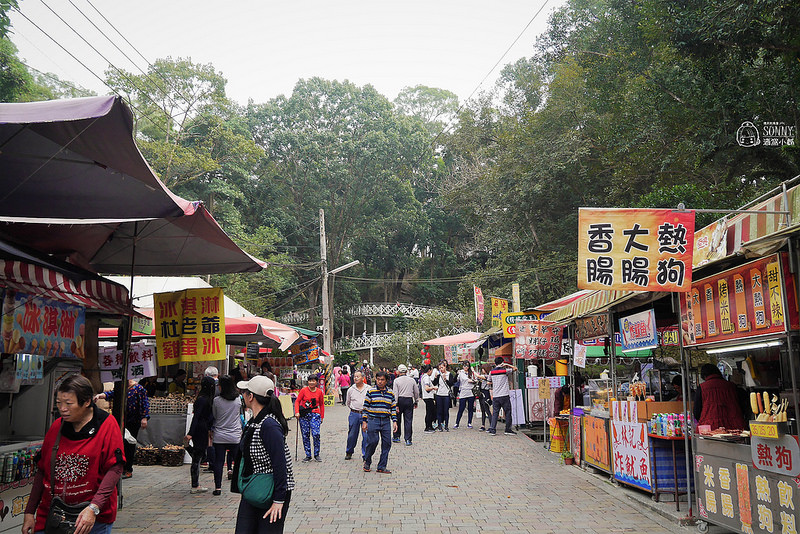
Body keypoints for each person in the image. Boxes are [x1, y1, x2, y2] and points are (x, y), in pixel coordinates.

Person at [23, 375, 125, 534]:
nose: (62, 408)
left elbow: (115, 469)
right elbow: (42, 470)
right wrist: (29, 512)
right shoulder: (57, 427)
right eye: (59, 403)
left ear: (86, 402)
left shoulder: (107, 425)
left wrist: (93, 508)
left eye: (69, 403)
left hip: (92, 518)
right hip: (53, 515)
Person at [233, 375, 295, 534]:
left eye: (244, 392)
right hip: (253, 487)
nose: (242, 396)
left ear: (251, 396)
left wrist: (278, 500)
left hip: (271, 491)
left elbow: (280, 464)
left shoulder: (269, 425)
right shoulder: (254, 421)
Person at [93, 378, 149, 479]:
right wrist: (100, 395)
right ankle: (120, 466)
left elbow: (144, 404)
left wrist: (144, 418)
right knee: (120, 443)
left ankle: (128, 469)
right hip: (121, 419)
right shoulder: (122, 388)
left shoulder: (139, 388)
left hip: (133, 421)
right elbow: (111, 394)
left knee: (130, 444)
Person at [212, 375, 243, 496]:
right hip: (235, 435)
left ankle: (218, 487)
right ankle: (238, 485)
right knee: (238, 461)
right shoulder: (238, 400)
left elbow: (215, 416)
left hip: (219, 435)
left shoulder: (216, 401)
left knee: (218, 462)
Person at [362, 371, 398, 474]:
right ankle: (367, 461)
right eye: (378, 379)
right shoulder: (371, 391)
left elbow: (393, 408)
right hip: (373, 420)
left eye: (382, 380)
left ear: (386, 381)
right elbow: (365, 407)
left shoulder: (390, 393)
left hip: (386, 421)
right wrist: (365, 421)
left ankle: (382, 466)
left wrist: (394, 421)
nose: (380, 382)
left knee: (387, 443)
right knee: (373, 442)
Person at [186, 376, 215, 493]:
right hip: (200, 429)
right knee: (198, 456)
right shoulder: (204, 400)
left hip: (202, 428)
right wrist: (190, 433)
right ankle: (195, 484)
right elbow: (196, 417)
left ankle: (195, 484)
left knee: (199, 455)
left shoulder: (202, 398)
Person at [693, 364, 745, 430]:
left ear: (704, 376)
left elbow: (697, 412)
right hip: (734, 426)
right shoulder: (732, 386)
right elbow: (742, 406)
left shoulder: (702, 388)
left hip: (710, 427)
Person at [294, 374, 325, 462]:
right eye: (310, 381)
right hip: (304, 415)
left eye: (313, 381)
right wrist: (297, 412)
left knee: (316, 434)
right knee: (305, 434)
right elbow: (297, 401)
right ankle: (308, 454)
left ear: (316, 382)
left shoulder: (319, 392)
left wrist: (322, 416)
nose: (311, 383)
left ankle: (316, 454)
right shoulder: (303, 390)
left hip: (315, 414)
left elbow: (322, 405)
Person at [488, 357, 517, 436]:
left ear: (495, 363)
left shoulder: (491, 372)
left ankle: (493, 429)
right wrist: (507, 364)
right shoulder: (505, 371)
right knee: (507, 412)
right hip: (504, 395)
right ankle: (508, 429)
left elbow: (488, 382)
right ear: (502, 363)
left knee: (495, 413)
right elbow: (515, 368)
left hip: (496, 395)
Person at [344, 370, 369, 460]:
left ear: (363, 378)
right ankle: (349, 451)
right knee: (352, 434)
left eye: (358, 376)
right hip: (354, 413)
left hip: (365, 414)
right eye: (354, 376)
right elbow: (348, 402)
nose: (356, 378)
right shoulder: (351, 389)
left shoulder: (368, 389)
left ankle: (365, 454)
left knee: (366, 435)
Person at [392, 364, 419, 445]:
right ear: (406, 371)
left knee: (397, 419)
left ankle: (396, 436)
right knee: (408, 420)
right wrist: (416, 401)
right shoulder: (412, 380)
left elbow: (395, 393)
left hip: (400, 400)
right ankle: (408, 439)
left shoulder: (396, 381)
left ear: (398, 372)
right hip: (409, 400)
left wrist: (395, 404)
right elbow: (416, 392)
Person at [433, 362, 455, 432]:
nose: (441, 369)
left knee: (446, 411)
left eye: (442, 367)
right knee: (439, 411)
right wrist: (435, 377)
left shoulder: (449, 374)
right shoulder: (439, 375)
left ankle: (446, 425)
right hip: (439, 394)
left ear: (445, 367)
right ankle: (439, 425)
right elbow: (434, 383)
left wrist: (446, 380)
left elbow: (451, 384)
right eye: (439, 368)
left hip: (446, 395)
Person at [454, 362, 477, 429]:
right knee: (461, 408)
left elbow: (476, 378)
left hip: (471, 391)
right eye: (464, 365)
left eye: (467, 365)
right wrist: (473, 380)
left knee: (470, 408)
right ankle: (457, 423)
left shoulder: (471, 372)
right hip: (463, 391)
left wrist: (473, 372)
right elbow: (466, 380)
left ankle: (469, 423)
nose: (466, 367)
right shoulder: (461, 372)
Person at [420, 364, 437, 432]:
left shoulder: (424, 376)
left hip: (427, 396)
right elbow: (427, 388)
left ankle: (429, 426)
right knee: (430, 412)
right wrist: (433, 388)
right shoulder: (426, 377)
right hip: (428, 397)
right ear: (429, 370)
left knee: (430, 411)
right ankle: (428, 427)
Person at [476, 364, 492, 431]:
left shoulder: (488, 376)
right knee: (483, 410)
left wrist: (473, 371)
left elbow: (479, 376)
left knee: (487, 410)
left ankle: (491, 426)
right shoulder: (483, 376)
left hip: (486, 393)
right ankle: (483, 425)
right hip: (481, 394)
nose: (482, 370)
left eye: (483, 369)